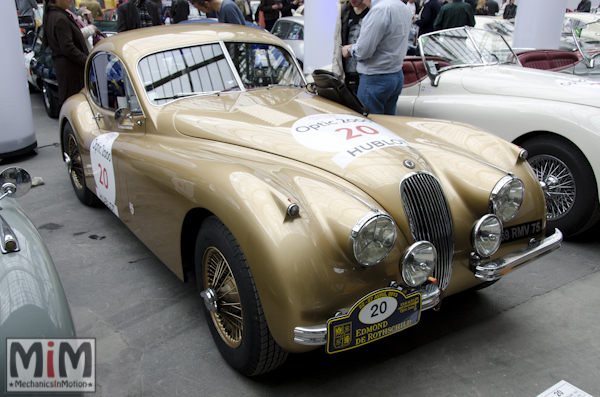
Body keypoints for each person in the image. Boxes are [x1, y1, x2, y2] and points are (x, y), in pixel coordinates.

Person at [341, 0, 412, 115]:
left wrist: (349, 50)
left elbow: (363, 51)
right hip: (395, 74)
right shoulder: (402, 7)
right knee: (388, 124)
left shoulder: (380, 10)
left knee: (369, 126)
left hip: (375, 78)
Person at [42, 0, 89, 109]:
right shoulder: (59, 18)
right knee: (75, 106)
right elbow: (68, 48)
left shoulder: (54, 15)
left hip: (67, 69)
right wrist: (86, 60)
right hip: (71, 70)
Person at [333, 0, 369, 94]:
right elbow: (337, 42)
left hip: (366, 74)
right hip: (348, 74)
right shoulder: (344, 12)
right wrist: (338, 72)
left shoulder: (372, 12)